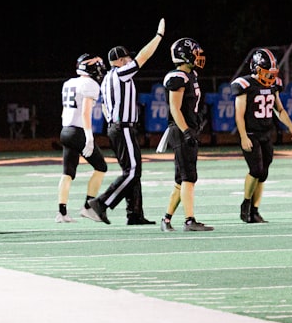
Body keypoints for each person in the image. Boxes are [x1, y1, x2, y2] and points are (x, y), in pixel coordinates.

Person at [85, 17, 165, 225]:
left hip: (116, 127)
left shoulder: (107, 79)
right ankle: (101, 204)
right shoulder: (121, 74)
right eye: (127, 58)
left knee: (131, 171)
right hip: (123, 128)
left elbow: (103, 106)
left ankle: (134, 213)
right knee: (133, 171)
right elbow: (143, 57)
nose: (130, 60)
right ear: (120, 61)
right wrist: (158, 37)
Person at [231, 48, 292, 223]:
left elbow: (279, 109)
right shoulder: (245, 85)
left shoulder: (273, 85)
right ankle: (245, 204)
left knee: (264, 173)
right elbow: (239, 114)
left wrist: (290, 125)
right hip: (251, 133)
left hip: (266, 133)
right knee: (256, 169)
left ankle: (255, 210)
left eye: (272, 73)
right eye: (266, 72)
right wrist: (243, 136)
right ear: (256, 68)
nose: (270, 77)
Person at [159, 37, 213, 232]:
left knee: (181, 179)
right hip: (181, 130)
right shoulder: (178, 77)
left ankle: (166, 220)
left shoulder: (191, 75)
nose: (198, 57)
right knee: (189, 177)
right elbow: (174, 107)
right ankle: (189, 220)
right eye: (195, 53)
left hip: (187, 129)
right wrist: (186, 131)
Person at [57, 53, 109, 223]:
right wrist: (89, 136)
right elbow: (86, 112)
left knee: (67, 173)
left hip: (66, 129)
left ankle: (62, 212)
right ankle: (88, 207)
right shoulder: (90, 84)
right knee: (101, 167)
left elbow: (66, 111)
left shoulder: (69, 83)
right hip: (78, 131)